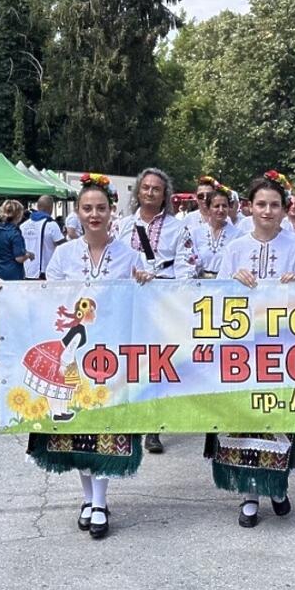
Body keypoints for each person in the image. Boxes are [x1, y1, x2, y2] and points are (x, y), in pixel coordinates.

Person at [0, 173, 151, 540]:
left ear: (112, 212)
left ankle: (101, 501)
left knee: (104, 425)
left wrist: (145, 281)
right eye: (87, 208)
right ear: (77, 212)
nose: (94, 214)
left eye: (101, 208)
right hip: (73, 353)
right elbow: (46, 296)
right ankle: (89, 498)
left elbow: (143, 303)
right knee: (78, 426)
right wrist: (8, 289)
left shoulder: (129, 256)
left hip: (112, 355)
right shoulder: (63, 255)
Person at [206, 170, 295, 528]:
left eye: (275, 204)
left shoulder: (294, 247)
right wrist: (233, 281)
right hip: (243, 347)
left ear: (285, 209)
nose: (267, 211)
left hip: (282, 348)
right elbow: (214, 299)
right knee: (247, 419)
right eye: (261, 204)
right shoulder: (235, 248)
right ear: (249, 207)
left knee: (278, 417)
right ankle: (250, 493)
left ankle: (277, 485)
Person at [112, 168, 181, 454]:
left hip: (159, 299)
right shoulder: (122, 226)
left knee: (156, 362)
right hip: (128, 299)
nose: (151, 192)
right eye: (146, 187)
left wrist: (162, 282)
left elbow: (188, 267)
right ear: (138, 191)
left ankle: (154, 426)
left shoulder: (178, 228)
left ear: (165, 195)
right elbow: (112, 259)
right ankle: (126, 418)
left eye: (157, 188)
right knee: (126, 358)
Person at [0, 201, 30, 357]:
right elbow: (19, 258)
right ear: (19, 215)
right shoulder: (15, 232)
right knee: (14, 309)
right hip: (12, 273)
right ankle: (14, 344)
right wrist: (28, 255)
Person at [174, 186, 242, 278]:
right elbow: (185, 261)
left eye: (224, 206)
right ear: (209, 208)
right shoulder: (195, 234)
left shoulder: (238, 235)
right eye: (216, 206)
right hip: (200, 286)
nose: (221, 210)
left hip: (226, 286)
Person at [20, 195, 65, 280]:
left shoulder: (23, 226)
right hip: (45, 272)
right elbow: (63, 246)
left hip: (26, 271)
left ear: (37, 206)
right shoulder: (51, 224)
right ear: (51, 208)